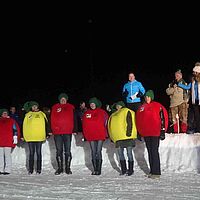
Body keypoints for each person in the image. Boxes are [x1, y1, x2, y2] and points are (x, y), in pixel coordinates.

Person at [136, 90, 168, 179]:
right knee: (150, 152)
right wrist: (139, 131)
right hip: (146, 133)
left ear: (151, 97)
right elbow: (138, 120)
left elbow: (163, 118)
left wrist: (163, 130)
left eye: (149, 97)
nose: (147, 98)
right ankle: (152, 171)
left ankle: (157, 172)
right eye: (146, 97)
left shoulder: (158, 106)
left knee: (154, 151)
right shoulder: (142, 107)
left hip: (155, 132)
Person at [50, 93, 77, 175]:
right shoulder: (55, 107)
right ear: (59, 100)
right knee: (59, 151)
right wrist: (51, 129)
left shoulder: (71, 107)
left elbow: (74, 119)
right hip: (57, 133)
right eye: (61, 99)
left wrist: (75, 129)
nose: (63, 100)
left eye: (64, 99)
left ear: (66, 100)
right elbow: (51, 119)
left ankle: (68, 168)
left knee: (67, 151)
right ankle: (60, 168)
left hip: (67, 132)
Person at [108, 101, 137, 176]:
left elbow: (129, 121)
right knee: (120, 154)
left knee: (129, 153)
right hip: (118, 138)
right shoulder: (113, 114)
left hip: (127, 137)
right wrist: (112, 136)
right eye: (117, 106)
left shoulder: (126, 111)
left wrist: (129, 132)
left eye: (119, 105)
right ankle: (124, 170)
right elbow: (110, 125)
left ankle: (130, 170)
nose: (118, 107)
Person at [22, 101, 51, 175]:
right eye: (33, 106)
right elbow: (24, 126)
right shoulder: (28, 115)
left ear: (37, 107)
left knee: (38, 153)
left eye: (35, 106)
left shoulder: (42, 114)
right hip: (31, 137)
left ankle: (38, 169)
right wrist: (23, 135)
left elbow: (46, 124)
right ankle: (30, 170)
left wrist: (47, 133)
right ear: (31, 107)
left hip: (39, 137)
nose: (34, 107)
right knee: (31, 154)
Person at [82, 97, 109, 175]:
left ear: (96, 104)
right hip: (91, 135)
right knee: (93, 152)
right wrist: (85, 135)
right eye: (91, 104)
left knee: (98, 151)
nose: (92, 105)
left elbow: (106, 122)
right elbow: (84, 124)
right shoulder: (87, 113)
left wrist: (106, 133)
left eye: (93, 104)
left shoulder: (102, 112)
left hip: (100, 134)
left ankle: (99, 169)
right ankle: (95, 169)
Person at [178, 62, 200, 133]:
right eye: (194, 72)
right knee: (196, 116)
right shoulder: (193, 81)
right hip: (195, 101)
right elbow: (187, 87)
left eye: (195, 72)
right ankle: (197, 129)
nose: (194, 74)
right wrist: (179, 84)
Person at [0, 108, 20, 175]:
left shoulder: (12, 121)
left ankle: (7, 169)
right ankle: (1, 169)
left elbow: (15, 130)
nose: (5, 114)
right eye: (3, 113)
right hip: (0, 141)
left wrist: (15, 138)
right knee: (0, 156)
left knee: (7, 156)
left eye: (6, 113)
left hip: (8, 141)